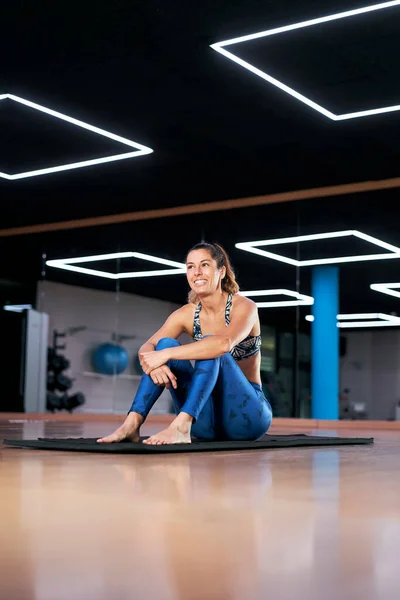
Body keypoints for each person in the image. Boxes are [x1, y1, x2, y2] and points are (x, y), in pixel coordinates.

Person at [98, 242, 272, 445]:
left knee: (209, 345)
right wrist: (155, 364)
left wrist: (166, 356)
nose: (197, 272)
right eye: (190, 266)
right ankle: (132, 424)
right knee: (164, 344)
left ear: (221, 271)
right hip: (205, 422)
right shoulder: (186, 314)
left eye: (205, 265)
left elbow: (223, 343)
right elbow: (147, 348)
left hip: (247, 417)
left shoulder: (245, 307)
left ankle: (181, 426)